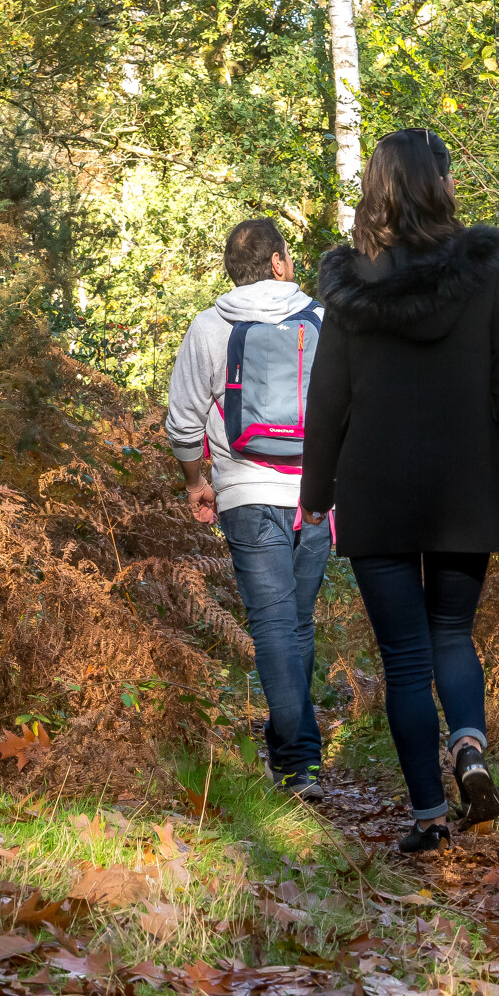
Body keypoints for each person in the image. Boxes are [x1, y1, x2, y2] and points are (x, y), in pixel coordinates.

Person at [298, 129, 499, 852]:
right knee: (451, 635)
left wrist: (316, 492)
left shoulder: (349, 286)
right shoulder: (485, 273)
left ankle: (429, 818)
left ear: (376, 189)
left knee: (403, 658)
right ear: (440, 184)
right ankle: (469, 746)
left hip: (377, 491)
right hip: (467, 489)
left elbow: (330, 398)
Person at [166, 218, 332, 803]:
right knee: (297, 625)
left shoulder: (211, 326)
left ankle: (297, 763)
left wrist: (196, 483)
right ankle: (296, 754)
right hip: (313, 499)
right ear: (281, 263)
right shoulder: (322, 321)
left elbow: (184, 420)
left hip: (244, 494)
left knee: (274, 628)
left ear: (232, 272)